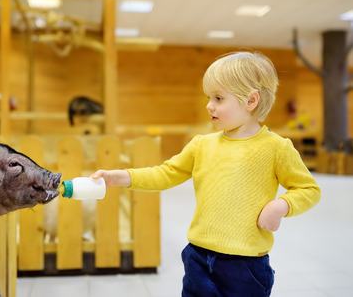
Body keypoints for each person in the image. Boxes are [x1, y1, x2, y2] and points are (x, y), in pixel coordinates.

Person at [91, 51, 321, 297]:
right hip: (198, 257)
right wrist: (120, 177)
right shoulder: (201, 145)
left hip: (245, 266)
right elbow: (165, 174)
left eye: (219, 98)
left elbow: (309, 190)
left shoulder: (276, 148)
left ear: (251, 101)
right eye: (209, 97)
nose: (209, 105)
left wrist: (281, 206)